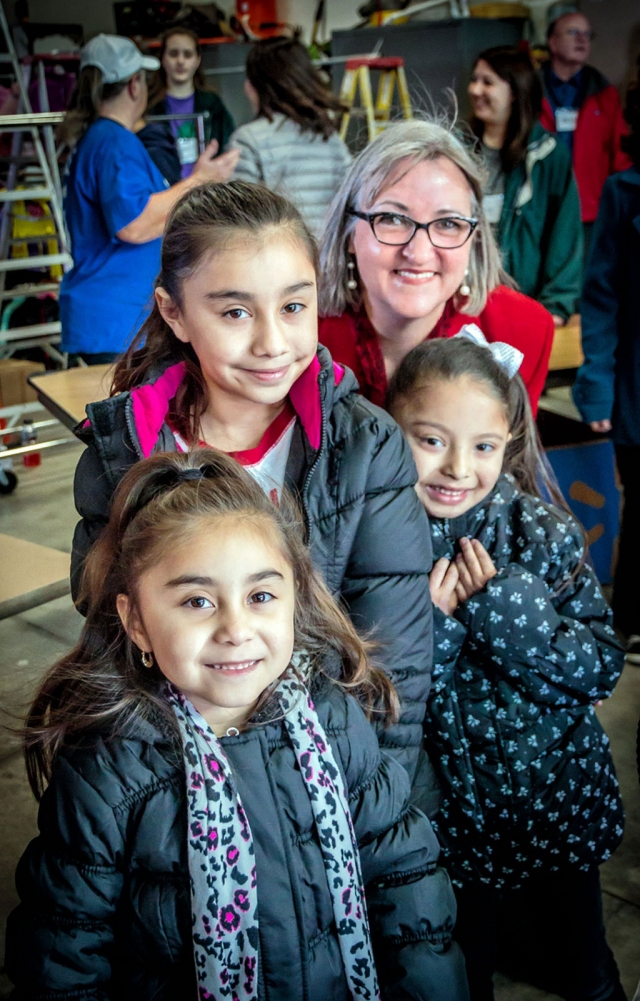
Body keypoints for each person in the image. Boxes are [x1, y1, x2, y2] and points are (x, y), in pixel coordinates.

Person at [5, 449, 469, 1000]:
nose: (235, 628)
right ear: (137, 622)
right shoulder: (108, 770)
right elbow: (63, 957)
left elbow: (405, 880)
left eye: (261, 596)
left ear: (293, 601)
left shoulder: (334, 718)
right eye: (198, 600)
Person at [70, 179, 436, 799]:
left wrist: (375, 803)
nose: (272, 342)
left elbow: (393, 656)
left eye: (293, 307)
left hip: (330, 776)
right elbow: (113, 640)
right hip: (173, 776)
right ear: (174, 312)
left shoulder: (365, 446)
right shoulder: (123, 452)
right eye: (235, 312)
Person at [387, 332, 625, 1001]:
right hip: (459, 824)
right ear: (389, 428)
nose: (458, 467)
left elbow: (600, 664)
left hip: (560, 801)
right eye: (430, 439)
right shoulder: (379, 552)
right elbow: (384, 698)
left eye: (483, 446)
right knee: (470, 963)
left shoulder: (541, 534)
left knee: (584, 957)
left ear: (508, 443)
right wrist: (432, 626)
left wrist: (501, 607)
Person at [318, 119, 554, 416]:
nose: (417, 253)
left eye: (447, 224)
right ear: (348, 232)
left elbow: (510, 459)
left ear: (475, 238)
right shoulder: (297, 335)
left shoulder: (521, 332)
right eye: (392, 219)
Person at [58, 33, 239, 364]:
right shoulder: (114, 142)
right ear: (133, 86)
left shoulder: (96, 139)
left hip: (108, 317)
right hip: (117, 322)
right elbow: (134, 224)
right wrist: (199, 180)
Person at [572, 65, 640, 663]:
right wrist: (595, 386)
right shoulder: (625, 193)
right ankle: (632, 619)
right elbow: (601, 299)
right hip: (637, 391)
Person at [469, 45, 582, 324]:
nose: (475, 90)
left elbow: (564, 235)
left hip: (523, 309)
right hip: (465, 305)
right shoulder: (458, 150)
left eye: (488, 82)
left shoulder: (548, 155)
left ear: (516, 92)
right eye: (474, 80)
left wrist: (555, 307)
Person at [230, 36, 351, 237]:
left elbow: (239, 224)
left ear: (254, 86)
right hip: (328, 262)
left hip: (280, 264)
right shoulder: (330, 139)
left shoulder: (248, 140)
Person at [540, 8, 632, 260]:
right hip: (542, 206)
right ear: (553, 41)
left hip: (590, 211)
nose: (582, 39)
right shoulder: (531, 89)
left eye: (587, 34)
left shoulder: (604, 93)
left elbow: (621, 154)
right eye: (573, 32)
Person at [142, 27, 235, 185]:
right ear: (162, 59)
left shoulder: (213, 104)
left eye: (188, 54)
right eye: (173, 54)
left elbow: (228, 148)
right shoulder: (148, 105)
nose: (180, 61)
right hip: (162, 189)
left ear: (197, 60)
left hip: (207, 189)